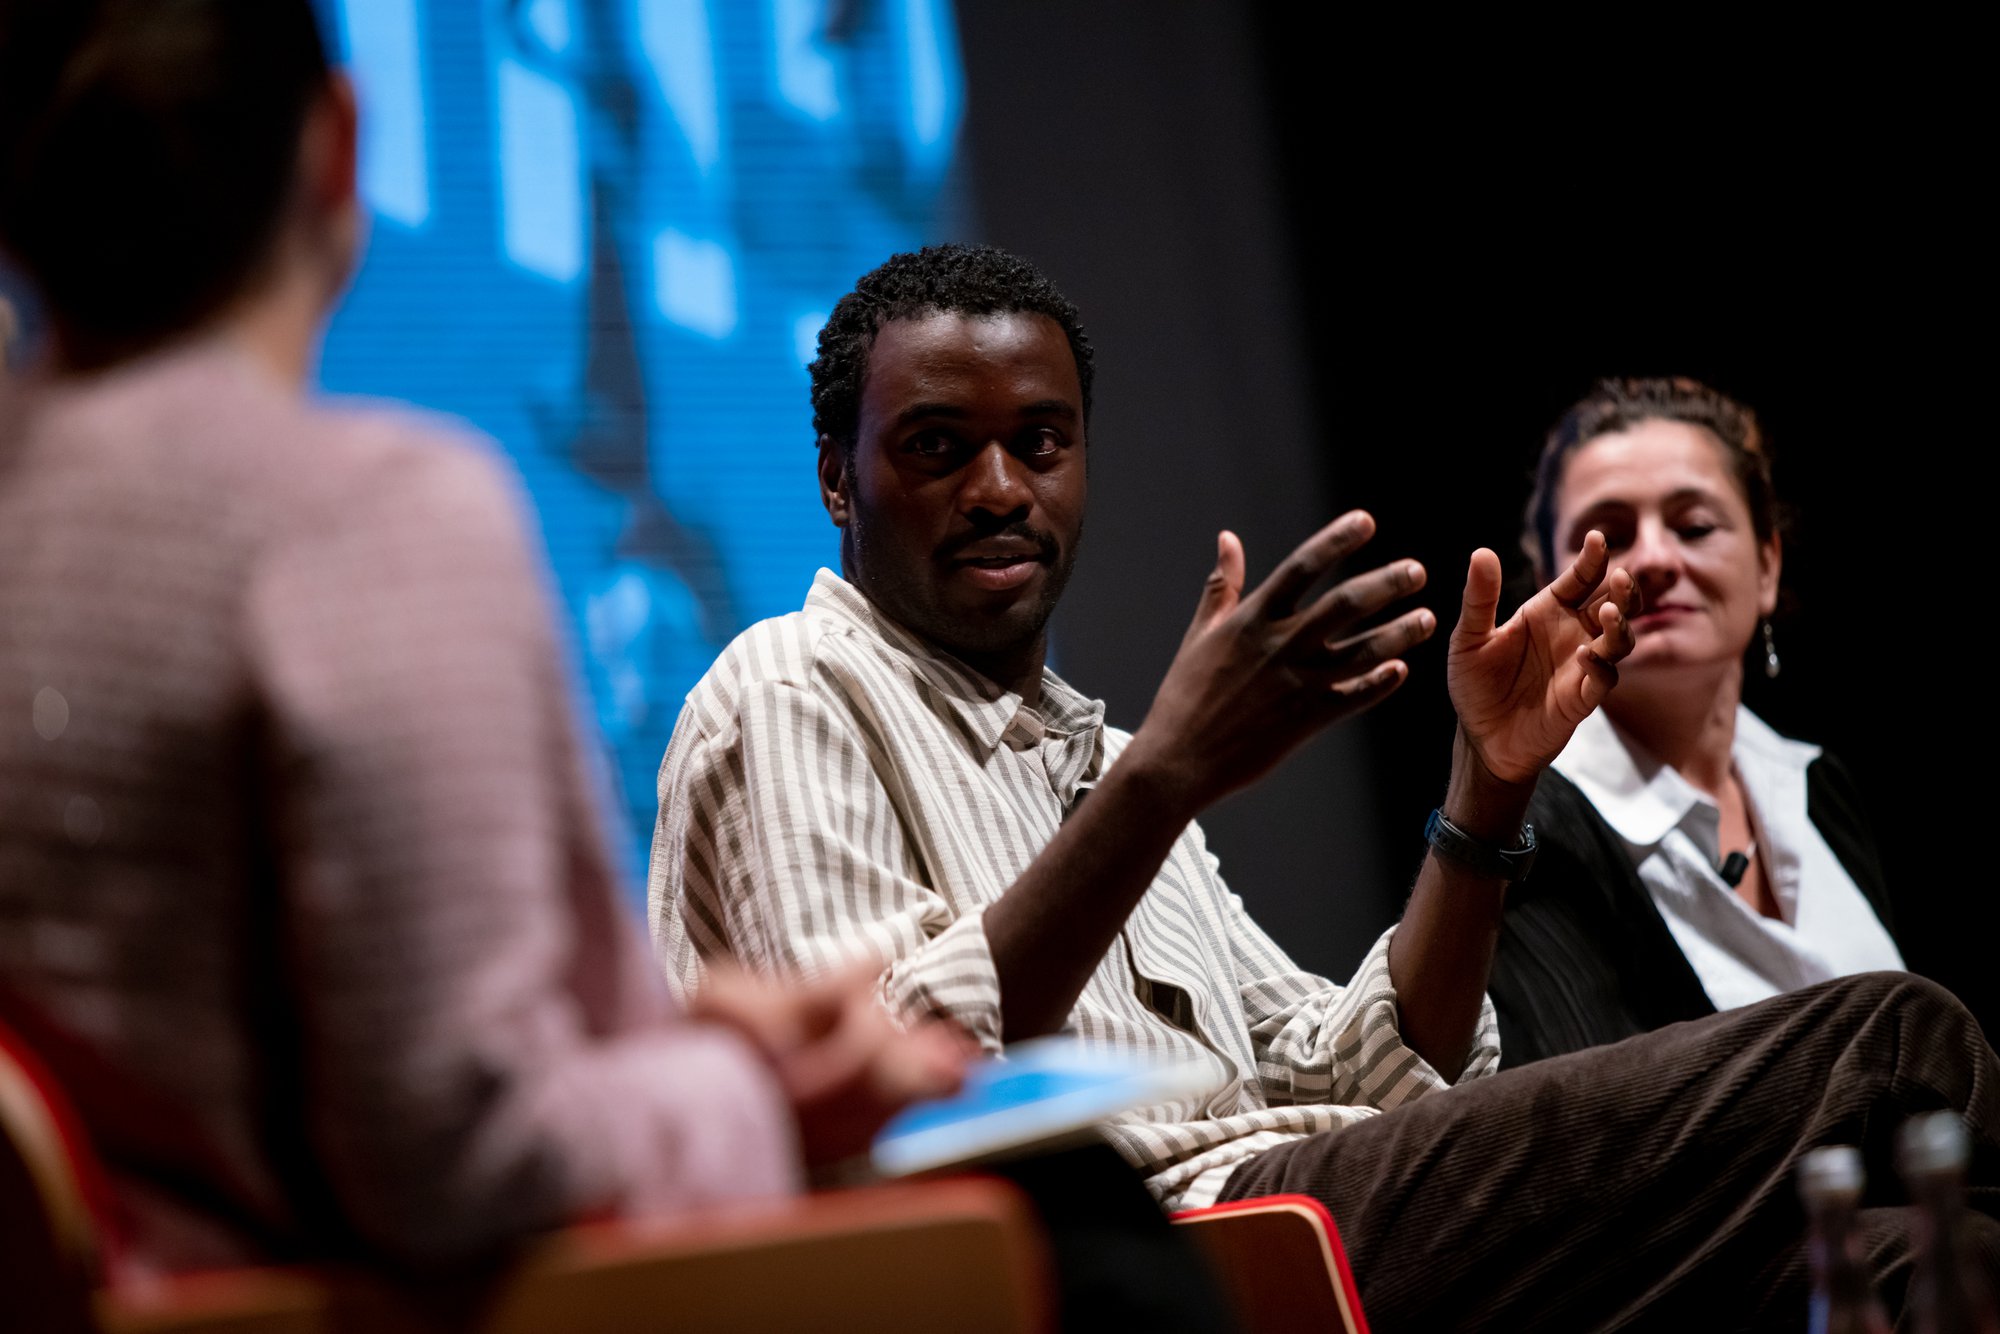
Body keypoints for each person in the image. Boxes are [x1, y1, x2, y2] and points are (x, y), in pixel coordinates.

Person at [648, 242, 2000, 1327]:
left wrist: (1484, 799)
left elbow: (1355, 1062)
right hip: (1176, 1246)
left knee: (1914, 1254)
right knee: (1883, 1040)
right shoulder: (790, 687)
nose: (1000, 486)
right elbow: (895, 1106)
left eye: (1042, 442)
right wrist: (1169, 777)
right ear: (839, 474)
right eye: (938, 445)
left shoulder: (1099, 758)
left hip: (1313, 1188)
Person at [0, 0, 963, 1276]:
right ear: (339, 144)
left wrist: (676, 1041)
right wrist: (751, 1097)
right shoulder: (362, 520)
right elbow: (462, 1154)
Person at [1488, 378, 1905, 1067]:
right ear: (1550, 583)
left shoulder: (1818, 784)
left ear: (1767, 565)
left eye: (1695, 526)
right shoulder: (1530, 832)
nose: (1653, 558)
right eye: (1610, 536)